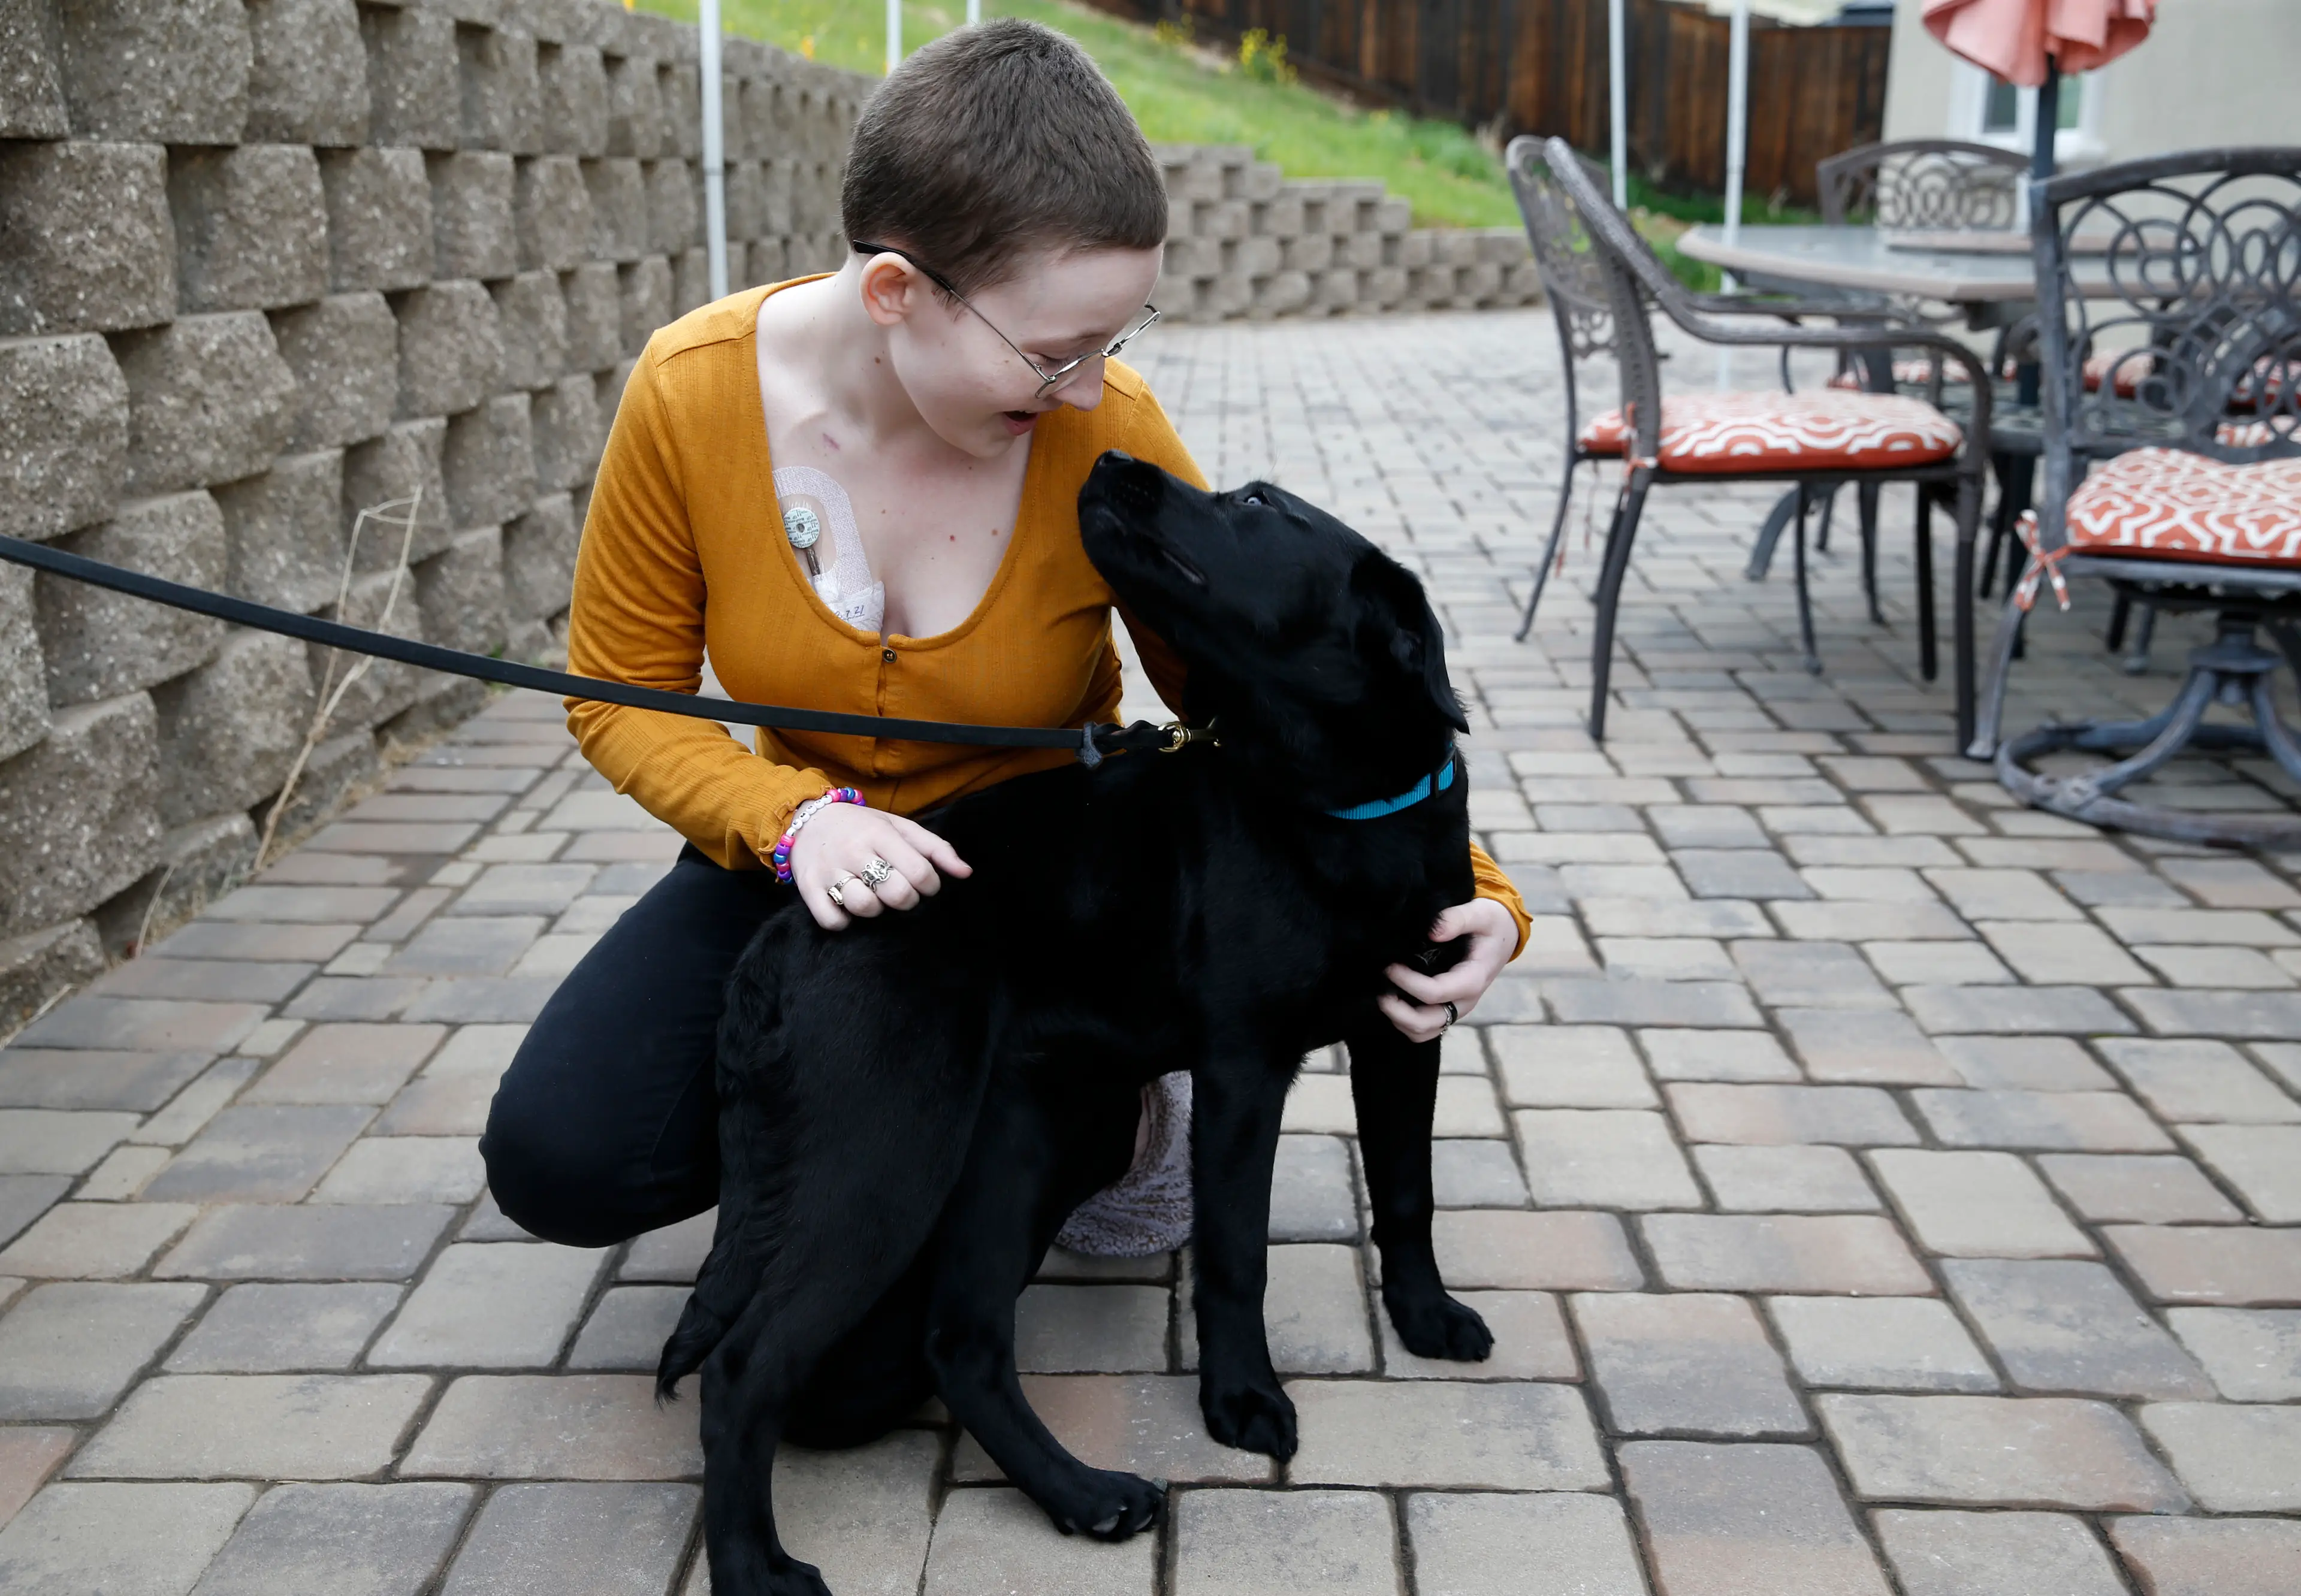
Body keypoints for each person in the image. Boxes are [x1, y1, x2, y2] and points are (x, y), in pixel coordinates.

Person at [479, 20, 1531, 1253]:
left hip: (1058, 900)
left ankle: (1119, 1097)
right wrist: (794, 821)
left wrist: (1474, 888)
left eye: (1113, 343)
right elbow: (621, 696)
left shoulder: (1106, 430)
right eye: (1054, 353)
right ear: (896, 293)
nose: (1087, 389)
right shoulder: (688, 391)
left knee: (900, 1317)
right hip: (807, 864)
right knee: (569, 1157)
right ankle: (878, 1120)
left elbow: (1278, 696)